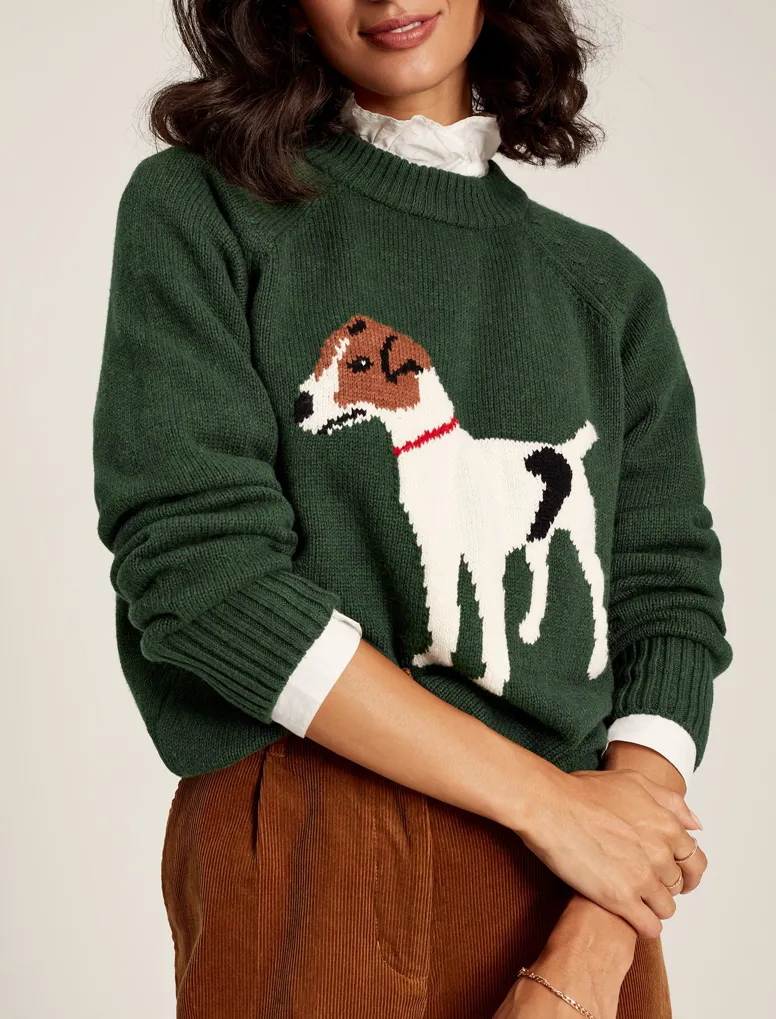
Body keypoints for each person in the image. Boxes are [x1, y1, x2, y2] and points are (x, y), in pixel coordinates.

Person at [92, 2, 732, 1017]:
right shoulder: (204, 207)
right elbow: (202, 577)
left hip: (581, 888)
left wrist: (598, 931)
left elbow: (667, 603)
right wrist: (546, 803)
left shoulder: (607, 291)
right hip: (318, 840)